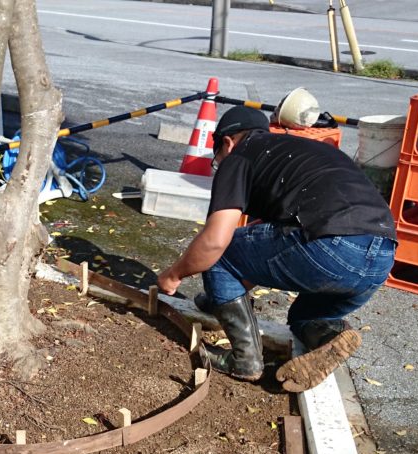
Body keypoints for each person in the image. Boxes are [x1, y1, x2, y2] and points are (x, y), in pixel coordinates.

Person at [156, 105, 397, 392]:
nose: (218, 161)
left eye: (217, 153)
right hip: (382, 255)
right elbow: (266, 251)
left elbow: (215, 242)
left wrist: (173, 276)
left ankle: (245, 361)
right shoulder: (296, 155)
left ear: (228, 142)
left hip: (330, 243)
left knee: (220, 254)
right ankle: (330, 336)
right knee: (304, 318)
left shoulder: (239, 156)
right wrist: (217, 298)